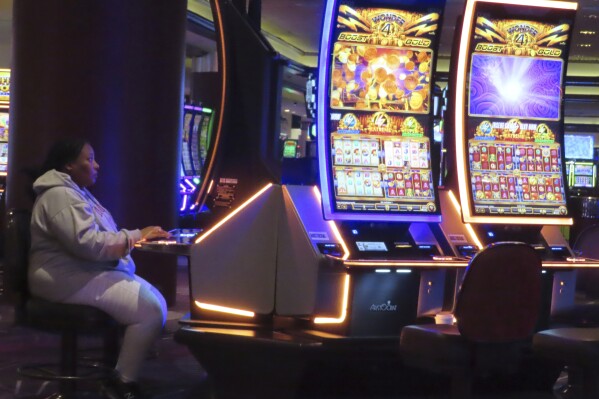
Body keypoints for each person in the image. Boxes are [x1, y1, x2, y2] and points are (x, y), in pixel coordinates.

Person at [28, 137, 171, 399]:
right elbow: (89, 245)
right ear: (70, 165)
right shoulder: (60, 195)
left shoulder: (74, 191)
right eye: (90, 159)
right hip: (61, 277)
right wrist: (136, 235)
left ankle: (120, 379)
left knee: (154, 304)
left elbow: (94, 241)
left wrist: (131, 239)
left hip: (77, 271)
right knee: (149, 309)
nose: (97, 165)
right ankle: (121, 384)